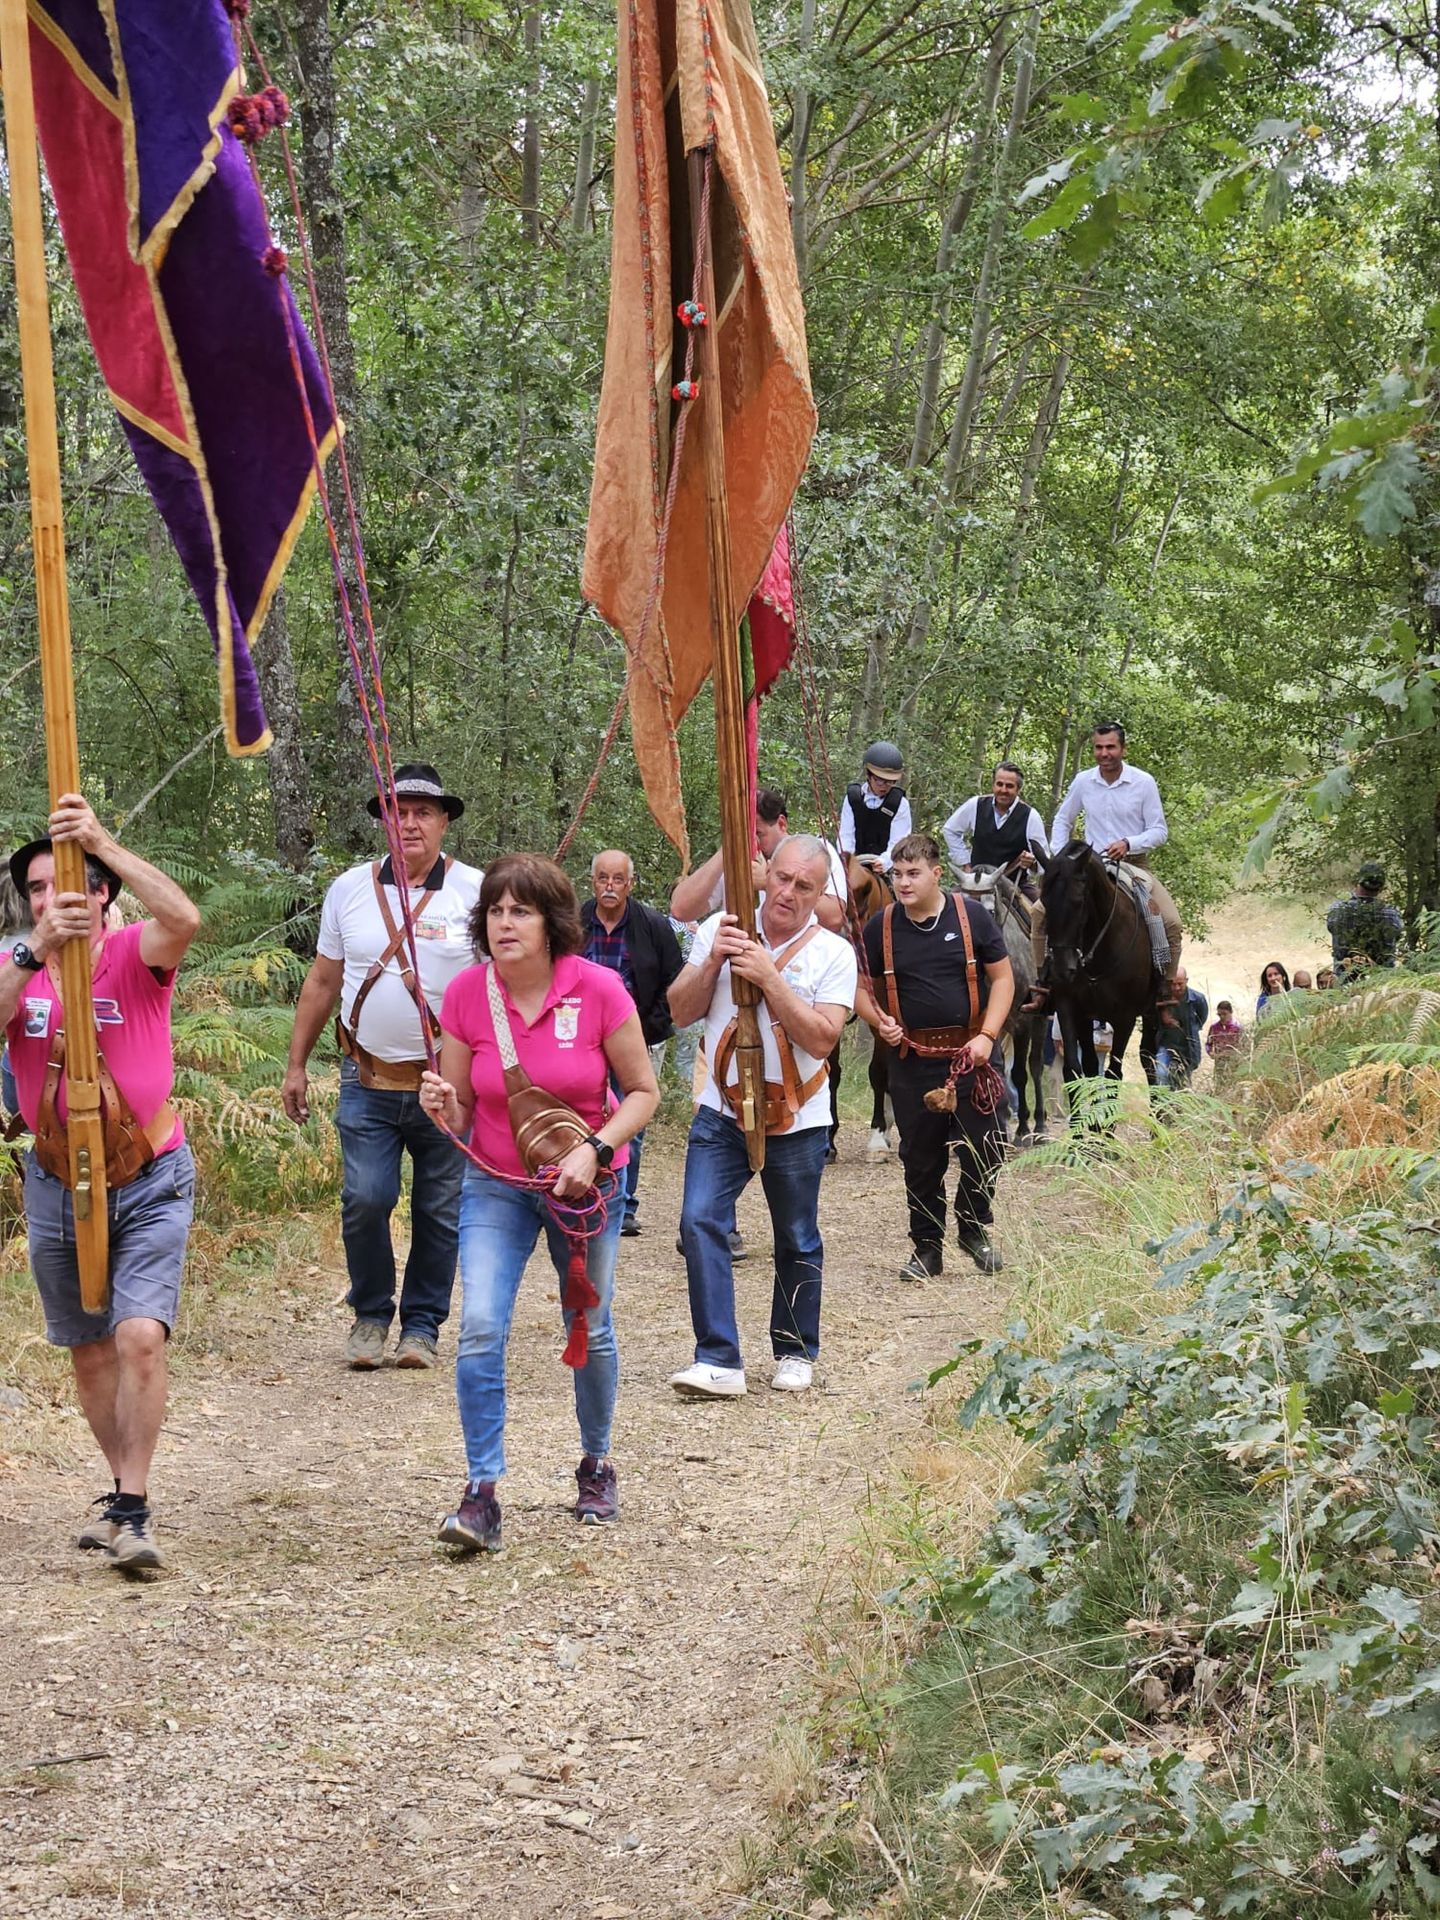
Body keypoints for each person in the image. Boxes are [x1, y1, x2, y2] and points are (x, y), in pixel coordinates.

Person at [419, 855, 658, 1549]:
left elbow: (643, 1093)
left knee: (590, 1321)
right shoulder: (466, 994)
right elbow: (461, 1114)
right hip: (495, 1182)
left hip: (585, 1188)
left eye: (520, 911)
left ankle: (596, 1462)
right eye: (495, 910)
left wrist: (596, 1149)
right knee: (482, 1326)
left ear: (552, 922)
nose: (504, 923)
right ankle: (482, 1492)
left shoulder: (601, 989)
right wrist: (440, 1103)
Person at [2, 796, 202, 1572]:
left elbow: (182, 917)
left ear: (102, 891)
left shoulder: (135, 955)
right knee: (89, 1353)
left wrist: (102, 841)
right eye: (40, 888)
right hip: (57, 1181)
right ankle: (122, 1496)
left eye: (69, 882)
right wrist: (31, 953)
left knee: (139, 1337)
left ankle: (136, 1507)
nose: (54, 898)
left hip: (148, 1175)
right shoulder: (18, 964)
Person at [283, 764, 482, 1372]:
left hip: (445, 1083)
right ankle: (370, 1315)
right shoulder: (348, 889)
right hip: (364, 1078)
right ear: (385, 822)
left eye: (424, 811)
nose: (412, 822)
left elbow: (498, 984)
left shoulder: (475, 891)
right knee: (366, 1198)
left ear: (445, 820)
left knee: (438, 1207)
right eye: (400, 811)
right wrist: (295, 1065)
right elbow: (323, 980)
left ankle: (421, 1326)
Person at [667, 835, 856, 1397]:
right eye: (783, 879)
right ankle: (718, 1358)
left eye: (805, 887)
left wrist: (769, 976)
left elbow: (822, 1039)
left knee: (795, 1235)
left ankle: (795, 1349)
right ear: (765, 873)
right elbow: (679, 1010)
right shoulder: (717, 930)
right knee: (699, 1220)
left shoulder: (833, 953)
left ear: (820, 895)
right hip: (721, 1112)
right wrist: (717, 961)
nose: (788, 894)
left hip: (798, 1116)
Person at [856, 833, 1014, 1280]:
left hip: (972, 1055)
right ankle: (927, 1247)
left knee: (987, 1146)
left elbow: (1002, 981)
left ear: (936, 873)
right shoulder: (880, 927)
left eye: (913, 874)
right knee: (921, 1156)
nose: (903, 883)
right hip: (912, 1060)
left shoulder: (973, 918)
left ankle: (973, 1228)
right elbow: (857, 988)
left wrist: (987, 1036)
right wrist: (877, 1019)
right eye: (897, 874)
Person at [1035, 722, 1183, 1004]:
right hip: (1088, 867)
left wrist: (1129, 843)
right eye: (1099, 747)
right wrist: (1060, 859)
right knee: (1038, 913)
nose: (1104, 753)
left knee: (1171, 922)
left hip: (1134, 864)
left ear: (1123, 749)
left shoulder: (1143, 782)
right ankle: (1042, 982)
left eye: (1110, 747)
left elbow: (1159, 830)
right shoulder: (1083, 781)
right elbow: (1063, 820)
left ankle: (1164, 990)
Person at [580, 851, 683, 1238]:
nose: (610, 886)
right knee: (576, 1117)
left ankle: (623, 1206)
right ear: (593, 882)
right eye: (603, 878)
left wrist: (649, 1027)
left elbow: (674, 980)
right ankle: (573, 1193)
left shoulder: (653, 926)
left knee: (629, 1123)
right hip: (580, 1041)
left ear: (630, 884)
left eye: (618, 879)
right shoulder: (573, 923)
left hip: (631, 1040)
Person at [669, 786, 846, 932]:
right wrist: (728, 847)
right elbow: (680, 910)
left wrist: (767, 882)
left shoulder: (815, 852)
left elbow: (835, 918)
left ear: (782, 823)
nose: (751, 842)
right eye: (744, 835)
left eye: (758, 834)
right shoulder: (738, 859)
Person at [941, 761, 1049, 887]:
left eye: (1009, 786)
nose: (1003, 790)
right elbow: (950, 830)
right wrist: (965, 863)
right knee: (947, 904)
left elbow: (1043, 860)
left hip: (1014, 885)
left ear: (1018, 789)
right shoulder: (975, 804)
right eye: (999, 784)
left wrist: (1032, 862)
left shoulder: (1031, 816)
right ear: (993, 785)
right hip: (976, 882)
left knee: (1044, 906)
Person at [838, 741, 911, 874]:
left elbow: (899, 841)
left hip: (886, 866)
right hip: (854, 863)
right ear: (869, 774)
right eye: (879, 780)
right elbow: (845, 835)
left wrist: (884, 862)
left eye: (890, 781)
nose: (884, 785)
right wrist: (847, 859)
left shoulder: (900, 803)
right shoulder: (853, 798)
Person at [1327, 861, 1405, 981]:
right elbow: (1398, 935)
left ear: (1359, 881)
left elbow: (1332, 927)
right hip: (1382, 982)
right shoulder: (1392, 913)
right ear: (1381, 887)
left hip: (1345, 981)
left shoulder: (1337, 909)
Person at [1154, 967, 1207, 1088]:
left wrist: (1191, 1029)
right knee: (1161, 1074)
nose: (1176, 988)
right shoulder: (1162, 998)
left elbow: (1201, 1018)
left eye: (1180, 984)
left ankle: (1179, 1105)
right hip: (1166, 1045)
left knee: (1182, 1080)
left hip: (1187, 1047)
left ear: (1186, 981)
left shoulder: (1197, 999)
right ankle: (1165, 1104)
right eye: (1173, 984)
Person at [1206, 1001, 1245, 1088]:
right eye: (1219, 1015)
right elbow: (1208, 1044)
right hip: (1219, 1062)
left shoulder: (1237, 1028)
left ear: (1231, 1013)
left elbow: (1244, 1047)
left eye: (1224, 1014)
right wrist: (1210, 1053)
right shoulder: (1214, 1027)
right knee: (1219, 1085)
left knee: (1233, 1086)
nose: (1222, 1017)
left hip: (1234, 1062)